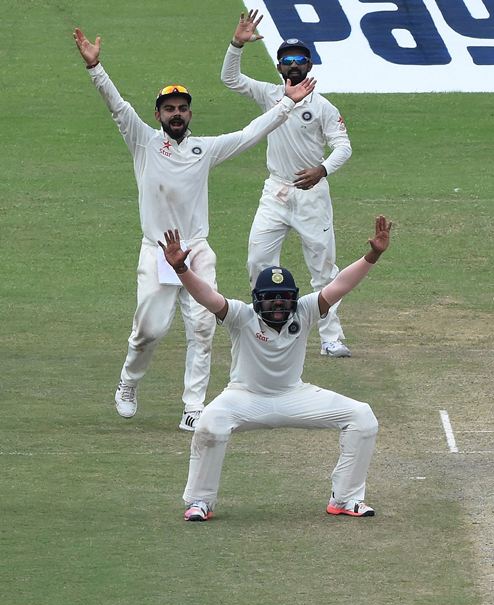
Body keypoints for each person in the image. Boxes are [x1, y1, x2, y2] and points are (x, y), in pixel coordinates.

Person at [73, 28, 316, 432]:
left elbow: (249, 134)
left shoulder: (204, 149)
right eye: (169, 108)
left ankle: (193, 405)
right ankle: (128, 382)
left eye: (182, 108)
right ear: (158, 115)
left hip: (196, 251)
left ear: (189, 114)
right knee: (149, 331)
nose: (176, 114)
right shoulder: (143, 142)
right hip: (157, 250)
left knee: (202, 329)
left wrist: (286, 104)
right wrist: (95, 66)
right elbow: (117, 107)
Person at [158, 216, 391, 522]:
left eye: (284, 299)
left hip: (294, 396)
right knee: (209, 423)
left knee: (362, 416)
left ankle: (346, 498)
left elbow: (340, 285)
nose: (279, 305)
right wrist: (181, 269)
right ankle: (200, 501)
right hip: (245, 398)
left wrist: (372, 255)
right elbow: (207, 296)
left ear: (294, 299)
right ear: (257, 300)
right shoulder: (241, 315)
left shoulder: (305, 310)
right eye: (271, 300)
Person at [222, 10, 355, 359]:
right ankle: (262, 331)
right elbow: (230, 79)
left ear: (309, 65)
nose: (293, 65)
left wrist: (322, 170)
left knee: (323, 269)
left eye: (299, 60)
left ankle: (330, 338)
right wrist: (237, 44)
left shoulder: (323, 107)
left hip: (312, 195)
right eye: (287, 60)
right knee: (258, 261)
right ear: (279, 67)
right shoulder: (269, 95)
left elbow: (343, 146)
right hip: (276, 192)